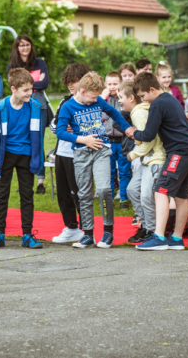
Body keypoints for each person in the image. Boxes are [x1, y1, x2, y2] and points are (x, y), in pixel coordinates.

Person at [56, 72, 134, 249]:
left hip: (101, 149)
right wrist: (83, 140)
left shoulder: (98, 100)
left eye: (97, 97)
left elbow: (113, 112)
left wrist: (127, 128)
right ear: (82, 91)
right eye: (92, 97)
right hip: (82, 152)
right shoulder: (68, 107)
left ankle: (108, 232)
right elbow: (60, 132)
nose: (94, 100)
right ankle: (88, 234)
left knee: (105, 189)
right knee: (84, 193)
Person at [130, 73, 188, 251]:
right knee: (181, 196)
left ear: (152, 90)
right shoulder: (170, 98)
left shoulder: (157, 104)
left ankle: (159, 237)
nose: (143, 101)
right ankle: (176, 238)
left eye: (143, 96)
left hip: (179, 153)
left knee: (161, 190)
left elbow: (148, 135)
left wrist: (133, 132)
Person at [0, 68, 45, 249]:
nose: (30, 93)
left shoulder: (34, 106)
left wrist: (38, 161)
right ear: (13, 88)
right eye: (25, 90)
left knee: (27, 195)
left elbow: (38, 137)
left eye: (31, 89)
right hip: (5, 156)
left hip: (26, 156)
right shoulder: (0, 108)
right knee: (2, 195)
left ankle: (27, 234)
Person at [50, 63, 91, 244]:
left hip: (80, 154)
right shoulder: (64, 102)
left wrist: (75, 128)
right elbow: (53, 124)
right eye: (68, 82)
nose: (70, 86)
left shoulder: (91, 103)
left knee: (80, 193)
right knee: (63, 192)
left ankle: (87, 230)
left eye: (74, 82)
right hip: (62, 153)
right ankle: (71, 227)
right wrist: (60, 126)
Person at [120, 81, 165, 244]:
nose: (119, 101)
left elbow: (148, 140)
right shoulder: (139, 111)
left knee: (146, 195)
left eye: (121, 97)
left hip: (155, 159)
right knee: (132, 190)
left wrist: (133, 154)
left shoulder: (138, 112)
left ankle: (153, 230)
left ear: (131, 98)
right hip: (147, 159)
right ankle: (146, 226)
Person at [7, 35, 50, 194]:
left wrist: (24, 85)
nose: (25, 47)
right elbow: (12, 85)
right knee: (24, 142)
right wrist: (35, 82)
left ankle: (40, 181)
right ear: (17, 47)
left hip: (39, 107)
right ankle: (25, 182)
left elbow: (45, 84)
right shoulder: (13, 65)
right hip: (20, 107)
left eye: (27, 44)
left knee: (38, 141)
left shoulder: (40, 63)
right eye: (21, 45)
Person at [102, 70, 132, 206]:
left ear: (120, 84)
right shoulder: (103, 100)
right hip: (108, 140)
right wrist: (103, 99)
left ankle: (124, 196)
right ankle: (110, 196)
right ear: (105, 85)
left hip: (122, 140)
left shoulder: (123, 99)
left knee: (124, 170)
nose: (112, 87)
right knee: (109, 170)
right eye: (110, 84)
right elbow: (100, 117)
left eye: (115, 84)